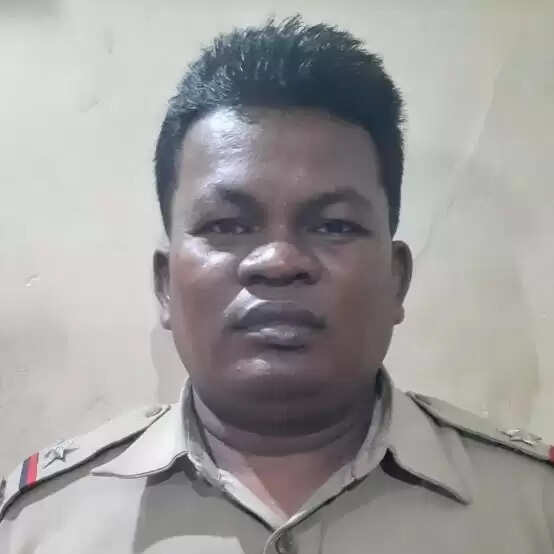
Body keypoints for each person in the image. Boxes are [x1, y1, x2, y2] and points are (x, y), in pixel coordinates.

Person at [0, 16, 552, 554]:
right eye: (227, 225)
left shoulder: (535, 509)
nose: (279, 261)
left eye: (334, 226)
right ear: (165, 284)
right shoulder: (41, 525)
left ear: (396, 279)